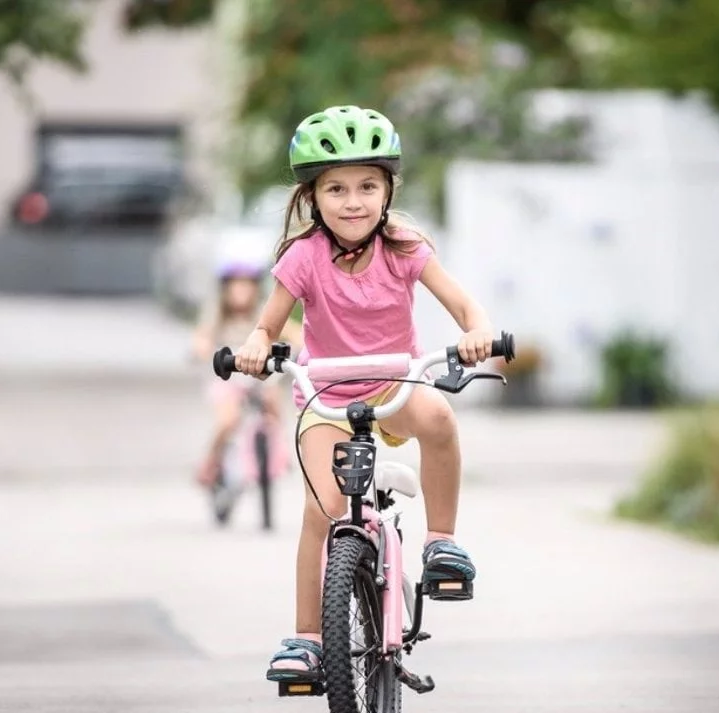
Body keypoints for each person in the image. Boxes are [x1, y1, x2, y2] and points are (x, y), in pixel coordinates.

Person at [229, 105, 498, 683]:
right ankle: (306, 639)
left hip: (396, 385)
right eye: (337, 189)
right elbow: (267, 324)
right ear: (312, 198)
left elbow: (464, 305)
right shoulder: (303, 257)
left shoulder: (403, 247)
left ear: (388, 190)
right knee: (323, 509)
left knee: (442, 421)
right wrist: (255, 345)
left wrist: (475, 332)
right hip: (325, 397)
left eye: (367, 186)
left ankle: (442, 545)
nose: (353, 201)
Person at [192, 260, 297, 488]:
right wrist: (203, 349)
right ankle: (211, 461)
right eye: (236, 286)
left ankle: (280, 448)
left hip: (258, 379)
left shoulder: (263, 314)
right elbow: (202, 338)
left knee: (273, 401)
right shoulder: (217, 314)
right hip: (228, 379)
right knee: (228, 420)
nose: (242, 291)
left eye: (247, 286)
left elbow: (293, 332)